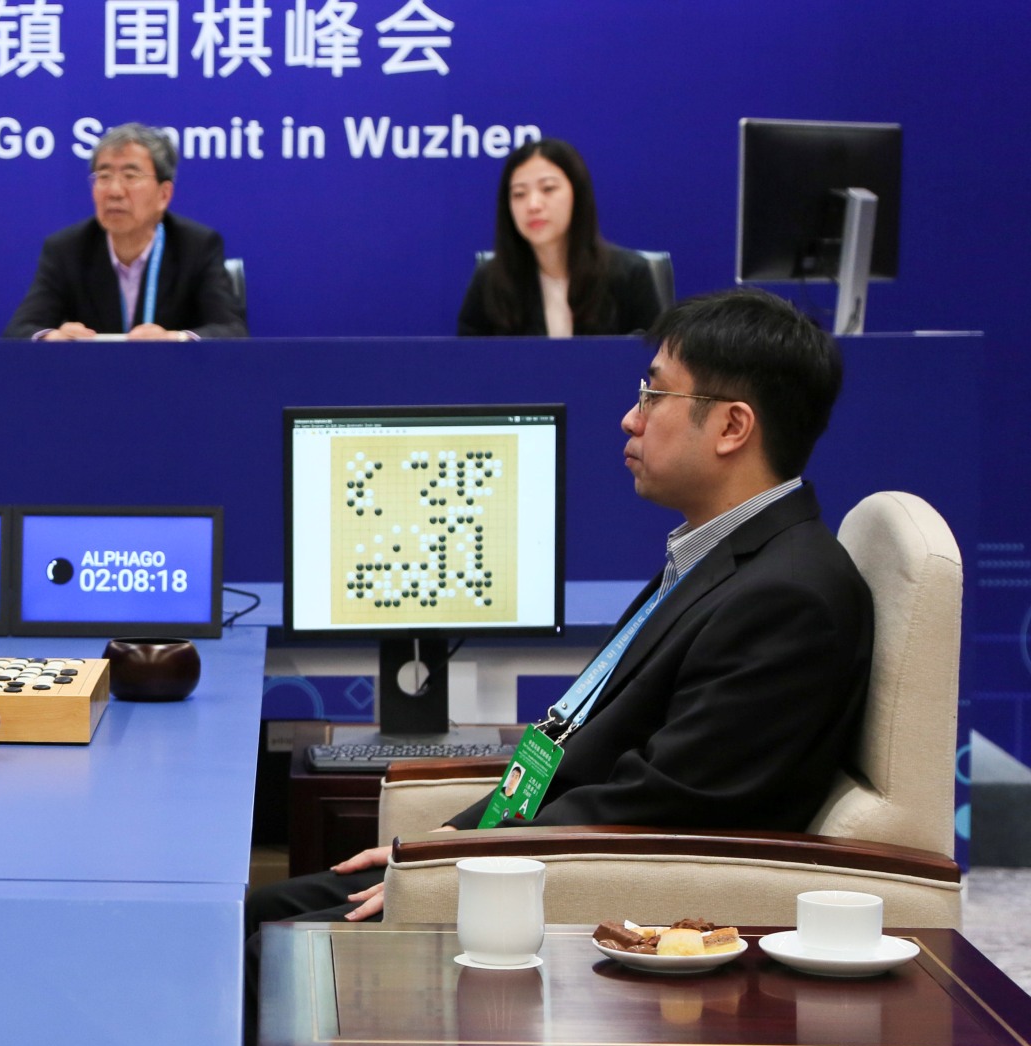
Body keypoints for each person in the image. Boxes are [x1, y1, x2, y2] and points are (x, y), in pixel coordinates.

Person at [252, 288, 872, 929]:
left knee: (266, 937)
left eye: (653, 396)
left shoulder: (788, 598)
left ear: (732, 427)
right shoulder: (717, 557)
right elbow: (576, 753)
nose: (630, 420)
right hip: (524, 856)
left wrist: (462, 862)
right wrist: (450, 838)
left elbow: (662, 806)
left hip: (578, 895)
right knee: (257, 912)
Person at [4, 123, 247, 341]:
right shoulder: (66, 250)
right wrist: (51, 337)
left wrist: (176, 339)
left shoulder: (197, 246)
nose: (115, 191)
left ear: (164, 195)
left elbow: (233, 330)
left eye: (130, 176)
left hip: (172, 375)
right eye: (104, 176)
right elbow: (19, 331)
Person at [457, 138, 663, 338]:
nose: (533, 205)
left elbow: (656, 357)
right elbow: (469, 358)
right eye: (519, 194)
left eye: (548, 188)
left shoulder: (630, 276)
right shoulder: (490, 281)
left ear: (578, 194)